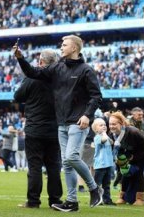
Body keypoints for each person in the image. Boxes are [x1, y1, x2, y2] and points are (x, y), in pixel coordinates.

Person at [14, 35, 103, 212]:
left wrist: (87, 115)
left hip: (78, 122)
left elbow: (96, 96)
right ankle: (71, 201)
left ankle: (94, 188)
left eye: (64, 45)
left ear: (75, 48)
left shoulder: (86, 70)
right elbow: (33, 72)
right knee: (66, 164)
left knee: (71, 157)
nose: (61, 47)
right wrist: (20, 58)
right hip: (60, 124)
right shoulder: (57, 67)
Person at [14, 49, 63, 208]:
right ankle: (55, 200)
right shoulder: (60, 79)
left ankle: (33, 201)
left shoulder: (31, 78)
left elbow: (17, 96)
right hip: (54, 129)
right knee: (53, 167)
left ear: (41, 62)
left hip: (35, 128)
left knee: (34, 166)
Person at [109, 112, 144, 206]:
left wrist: (134, 157)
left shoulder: (133, 132)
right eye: (110, 124)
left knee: (138, 173)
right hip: (127, 155)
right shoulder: (111, 134)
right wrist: (119, 159)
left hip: (143, 153)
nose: (111, 126)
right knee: (124, 173)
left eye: (114, 124)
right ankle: (122, 197)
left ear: (122, 123)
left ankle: (141, 199)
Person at [92, 118, 115, 205]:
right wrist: (104, 133)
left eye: (104, 125)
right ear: (96, 129)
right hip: (100, 165)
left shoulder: (106, 136)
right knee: (97, 184)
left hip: (108, 164)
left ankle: (107, 199)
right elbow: (104, 140)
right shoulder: (97, 137)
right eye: (101, 125)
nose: (104, 126)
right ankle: (97, 199)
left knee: (107, 184)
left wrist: (106, 134)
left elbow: (112, 142)